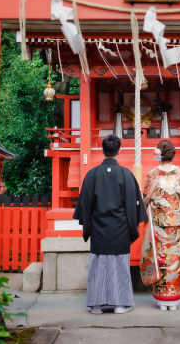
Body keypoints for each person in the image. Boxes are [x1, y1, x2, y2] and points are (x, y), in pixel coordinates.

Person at [73, 134, 147, 314]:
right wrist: (132, 227)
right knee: (120, 266)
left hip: (98, 228)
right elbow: (133, 204)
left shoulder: (92, 174)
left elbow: (85, 205)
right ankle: (120, 304)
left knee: (98, 265)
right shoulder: (126, 174)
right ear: (119, 151)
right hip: (120, 229)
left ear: (102, 150)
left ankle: (96, 305)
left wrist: (89, 227)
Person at [140, 139, 180, 311]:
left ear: (159, 154)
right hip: (178, 227)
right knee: (176, 261)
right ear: (172, 154)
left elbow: (145, 199)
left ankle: (162, 299)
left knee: (161, 260)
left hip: (159, 227)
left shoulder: (153, 175)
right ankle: (174, 297)